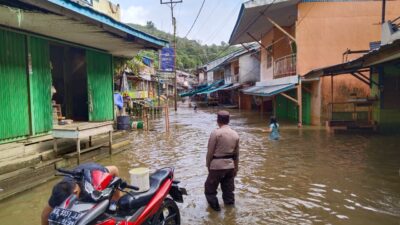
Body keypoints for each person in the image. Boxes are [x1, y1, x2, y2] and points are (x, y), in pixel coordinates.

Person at [41, 162, 120, 225]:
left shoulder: (97, 174)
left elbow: (115, 169)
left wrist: (116, 198)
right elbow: (45, 216)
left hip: (92, 173)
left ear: (76, 190)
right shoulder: (59, 192)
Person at [205, 110, 239, 211]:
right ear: (228, 120)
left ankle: (216, 212)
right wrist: (235, 168)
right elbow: (236, 155)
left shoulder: (216, 133)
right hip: (230, 167)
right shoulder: (235, 134)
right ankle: (230, 215)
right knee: (229, 193)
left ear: (218, 121)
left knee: (209, 190)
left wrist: (208, 166)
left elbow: (210, 152)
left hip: (216, 166)